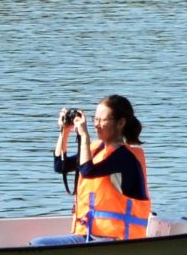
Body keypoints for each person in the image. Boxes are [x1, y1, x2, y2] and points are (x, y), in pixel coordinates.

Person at [54, 96, 151, 240]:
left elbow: (87, 171)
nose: (96, 125)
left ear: (121, 123)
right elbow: (60, 166)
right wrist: (65, 131)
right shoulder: (97, 149)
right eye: (95, 119)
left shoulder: (124, 157)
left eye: (102, 120)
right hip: (92, 236)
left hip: (119, 240)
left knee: (39, 244)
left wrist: (84, 136)